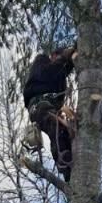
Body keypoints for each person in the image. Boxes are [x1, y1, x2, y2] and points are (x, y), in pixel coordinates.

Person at [22, 46, 76, 182]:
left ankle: (71, 165)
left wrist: (70, 60)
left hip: (52, 107)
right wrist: (64, 57)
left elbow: (61, 71)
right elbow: (47, 73)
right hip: (38, 104)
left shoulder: (60, 76)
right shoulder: (42, 61)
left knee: (66, 131)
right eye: (58, 58)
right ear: (53, 55)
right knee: (56, 125)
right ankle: (64, 164)